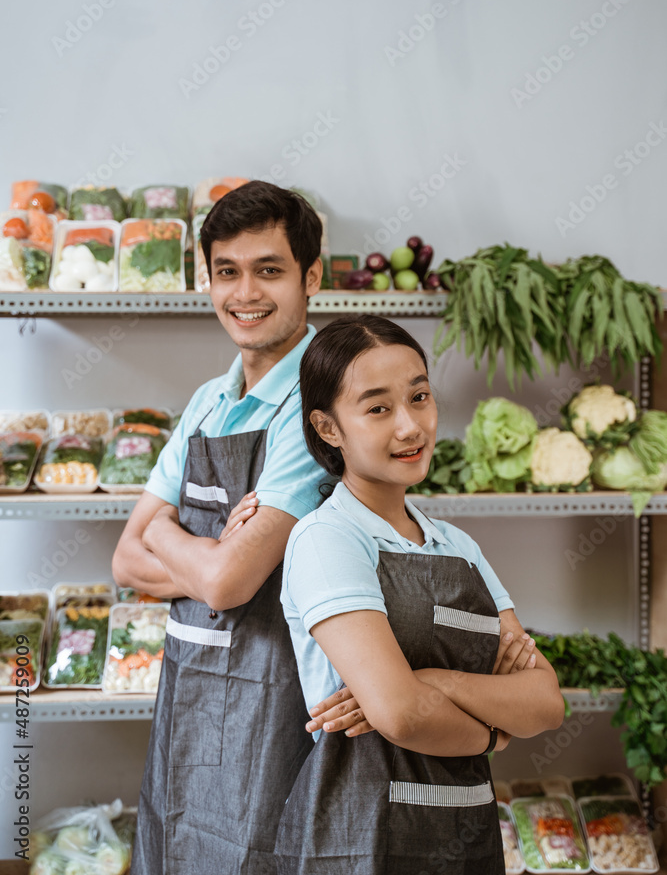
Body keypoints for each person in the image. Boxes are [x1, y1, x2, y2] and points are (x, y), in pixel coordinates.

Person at [269, 314, 565, 874]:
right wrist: (496, 732)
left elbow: (546, 702)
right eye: (378, 408)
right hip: (357, 840)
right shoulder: (327, 538)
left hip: (468, 834)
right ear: (329, 428)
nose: (410, 426)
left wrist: (435, 682)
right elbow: (401, 716)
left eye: (420, 397)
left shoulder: (459, 546)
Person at [112, 181, 333, 875]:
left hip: (284, 698)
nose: (245, 293)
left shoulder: (324, 397)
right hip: (192, 691)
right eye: (227, 272)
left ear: (311, 276)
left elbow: (231, 582)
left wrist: (183, 545)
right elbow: (125, 558)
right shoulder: (210, 400)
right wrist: (208, 552)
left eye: (269, 270)